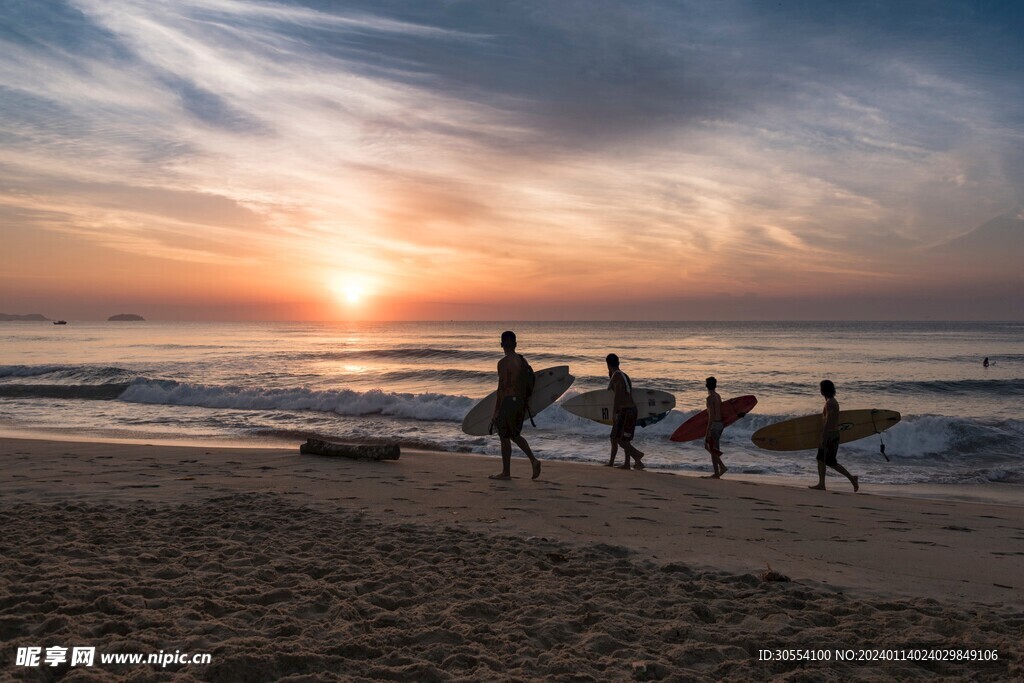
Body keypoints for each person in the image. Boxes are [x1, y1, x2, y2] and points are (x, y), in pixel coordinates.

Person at [489, 331, 541, 481]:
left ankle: (506, 473)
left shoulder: (503, 363)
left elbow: (502, 389)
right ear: (516, 344)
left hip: (508, 402)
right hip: (520, 402)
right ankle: (533, 460)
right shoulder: (522, 361)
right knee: (514, 435)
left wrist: (496, 411)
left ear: (502, 345)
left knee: (504, 436)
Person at [808, 379, 858, 492]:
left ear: (824, 390)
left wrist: (823, 437)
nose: (820, 390)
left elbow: (828, 421)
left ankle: (852, 478)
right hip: (832, 434)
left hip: (830, 436)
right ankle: (821, 484)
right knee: (821, 459)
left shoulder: (830, 403)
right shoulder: (831, 401)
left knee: (830, 462)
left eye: (821, 388)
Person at [604, 353, 645, 470]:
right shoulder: (624, 375)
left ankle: (637, 455)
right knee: (625, 438)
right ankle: (628, 463)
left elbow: (618, 396)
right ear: (618, 363)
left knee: (618, 439)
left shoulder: (616, 376)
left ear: (607, 364)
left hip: (625, 411)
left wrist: (614, 413)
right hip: (632, 410)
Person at [704, 376, 727, 478]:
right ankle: (717, 472)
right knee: (713, 448)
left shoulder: (710, 398)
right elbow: (721, 410)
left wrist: (707, 431)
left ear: (706, 386)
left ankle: (720, 468)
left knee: (710, 447)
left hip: (714, 425)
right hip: (720, 424)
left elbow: (711, 416)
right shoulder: (718, 396)